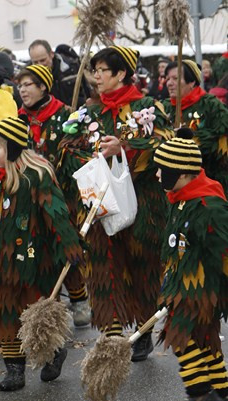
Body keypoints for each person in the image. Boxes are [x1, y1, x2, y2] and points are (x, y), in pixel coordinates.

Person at [59, 45, 171, 360]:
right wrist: (94, 159)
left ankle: (144, 331)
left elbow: (163, 145)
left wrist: (122, 148)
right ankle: (111, 334)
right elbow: (66, 150)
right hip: (99, 204)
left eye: (101, 70)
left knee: (142, 267)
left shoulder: (147, 107)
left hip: (141, 203)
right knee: (104, 267)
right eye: (93, 70)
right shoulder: (87, 112)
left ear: (120, 73)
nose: (95, 76)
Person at [0, 116, 81, 391]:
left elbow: (56, 215)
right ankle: (14, 368)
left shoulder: (36, 177)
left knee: (36, 312)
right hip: (0, 263)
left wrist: (68, 246)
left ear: (15, 148)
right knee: (5, 312)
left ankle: (53, 351)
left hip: (33, 261)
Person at [153, 129, 228, 401]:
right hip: (183, 283)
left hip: (201, 287)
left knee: (179, 334)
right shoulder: (180, 197)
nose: (158, 175)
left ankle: (200, 395)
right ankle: (221, 393)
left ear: (182, 173)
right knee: (203, 336)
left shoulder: (208, 205)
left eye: (164, 170)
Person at [15, 63, 91, 328]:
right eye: (20, 86)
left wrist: (71, 147)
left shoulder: (65, 115)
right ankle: (53, 304)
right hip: (33, 194)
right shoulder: (19, 118)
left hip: (65, 193)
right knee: (43, 250)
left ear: (43, 87)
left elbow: (84, 153)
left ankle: (80, 299)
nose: (22, 90)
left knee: (67, 244)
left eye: (28, 85)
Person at [164, 58, 228, 193]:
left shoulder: (211, 104)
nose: (169, 83)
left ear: (192, 82)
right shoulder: (164, 108)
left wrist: (192, 141)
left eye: (175, 78)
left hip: (209, 181)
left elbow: (221, 137)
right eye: (167, 78)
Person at [28, 38, 87, 107]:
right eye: (35, 62)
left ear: (51, 54)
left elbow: (86, 91)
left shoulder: (71, 67)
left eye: (43, 60)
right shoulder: (28, 76)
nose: (40, 65)